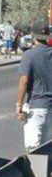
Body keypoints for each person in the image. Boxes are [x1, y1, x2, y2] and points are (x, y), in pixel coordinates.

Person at [15, 21, 52, 151]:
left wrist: (18, 105)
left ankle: (37, 172)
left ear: (32, 35)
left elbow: (23, 81)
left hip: (37, 106)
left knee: (34, 150)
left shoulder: (29, 55)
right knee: (48, 148)